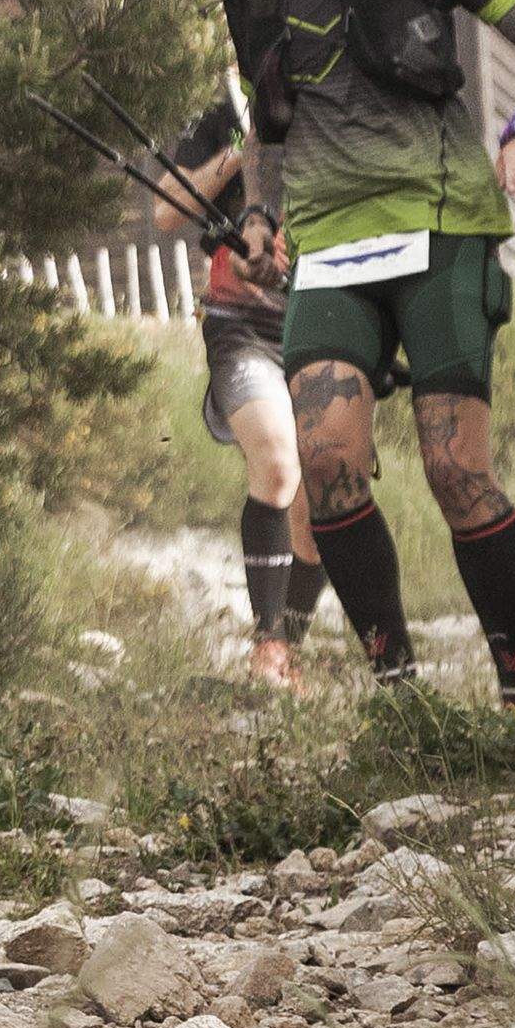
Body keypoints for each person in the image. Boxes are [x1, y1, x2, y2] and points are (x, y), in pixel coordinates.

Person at [217, 0, 515, 727]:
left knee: (454, 469)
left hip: (443, 220)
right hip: (330, 242)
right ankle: (400, 698)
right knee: (327, 466)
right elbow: (267, 117)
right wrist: (259, 212)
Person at [147, 82, 325, 688]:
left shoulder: (338, 90)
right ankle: (268, 642)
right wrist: (242, 151)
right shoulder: (225, 109)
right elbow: (166, 210)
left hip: (325, 314)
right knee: (277, 460)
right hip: (238, 322)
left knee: (323, 497)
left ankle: (288, 645)